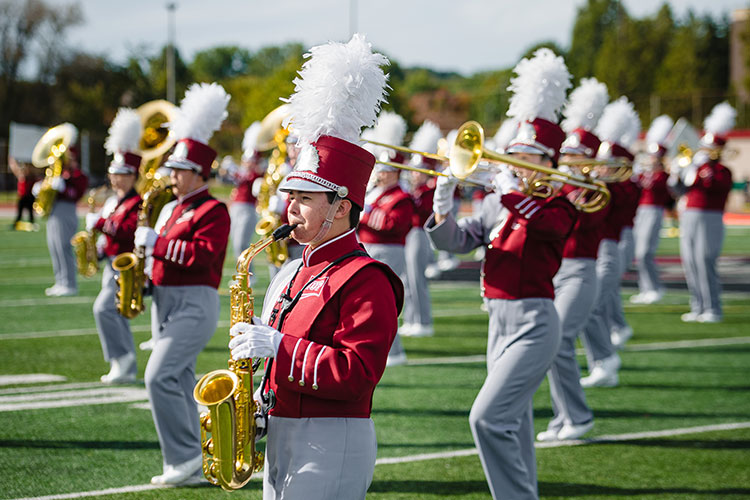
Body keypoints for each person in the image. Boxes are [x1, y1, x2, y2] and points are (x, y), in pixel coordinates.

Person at [228, 34, 402, 500]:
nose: (292, 211)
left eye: (305, 199)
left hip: (332, 440)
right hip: (284, 431)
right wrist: (261, 401)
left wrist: (278, 347)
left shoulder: (368, 280)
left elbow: (357, 374)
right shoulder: (291, 270)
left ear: (341, 206)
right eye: (292, 198)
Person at [427, 48, 575, 500]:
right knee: (516, 422)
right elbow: (455, 241)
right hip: (498, 320)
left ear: (549, 163)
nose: (515, 164)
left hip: (534, 322)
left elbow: (544, 226)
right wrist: (443, 198)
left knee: (487, 419)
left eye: (528, 157)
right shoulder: (498, 203)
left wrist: (510, 191)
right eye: (513, 156)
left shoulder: (560, 205)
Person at [134, 82, 231, 486]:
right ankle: (204, 453)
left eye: (179, 171)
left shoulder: (214, 210)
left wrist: (158, 244)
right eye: (172, 170)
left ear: (198, 173)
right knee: (179, 378)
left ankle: (186, 458)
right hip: (165, 301)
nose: (172, 177)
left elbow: (202, 257)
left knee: (158, 377)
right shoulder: (171, 208)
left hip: (194, 303)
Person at [536, 77, 609, 442]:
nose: (568, 160)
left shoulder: (597, 189)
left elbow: (576, 221)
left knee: (559, 340)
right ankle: (564, 415)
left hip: (580, 271)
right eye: (567, 155)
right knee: (554, 343)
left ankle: (577, 416)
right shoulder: (561, 185)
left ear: (590, 159)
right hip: (555, 271)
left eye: (576, 155)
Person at [579, 97, 640, 388]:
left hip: (609, 248)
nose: (600, 168)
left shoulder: (623, 187)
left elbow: (615, 207)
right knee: (594, 306)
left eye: (606, 163)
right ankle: (603, 360)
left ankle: (605, 359)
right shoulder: (600, 184)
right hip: (596, 249)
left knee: (589, 306)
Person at [88, 108, 144, 384]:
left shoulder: (137, 203)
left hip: (124, 267)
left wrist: (101, 224)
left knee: (104, 309)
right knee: (112, 312)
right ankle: (123, 362)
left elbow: (128, 231)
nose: (115, 178)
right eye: (114, 172)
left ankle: (123, 360)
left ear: (133, 175)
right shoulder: (115, 201)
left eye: (122, 173)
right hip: (109, 263)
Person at [669, 102, 735, 323]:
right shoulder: (696, 168)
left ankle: (713, 308)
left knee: (705, 260)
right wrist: (678, 174)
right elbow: (679, 191)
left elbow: (716, 186)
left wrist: (701, 168)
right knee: (689, 261)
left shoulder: (722, 171)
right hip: (689, 214)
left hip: (710, 218)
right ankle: (697, 305)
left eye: (709, 149)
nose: (704, 153)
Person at [359, 111, 414, 366]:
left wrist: (366, 215)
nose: (381, 175)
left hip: (389, 250)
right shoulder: (377, 193)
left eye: (387, 171)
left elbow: (393, 224)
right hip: (370, 247)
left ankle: (395, 352)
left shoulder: (401, 197)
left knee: (386, 303)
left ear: (396, 173)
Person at [34, 129, 89, 297]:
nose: (68, 160)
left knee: (64, 247)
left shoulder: (78, 175)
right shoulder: (58, 173)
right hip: (54, 212)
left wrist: (64, 188)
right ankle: (60, 281)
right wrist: (42, 188)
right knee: (54, 246)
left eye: (70, 157)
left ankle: (69, 284)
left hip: (66, 211)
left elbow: (77, 193)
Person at [401, 120, 442, 338]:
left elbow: (423, 212)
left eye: (418, 171)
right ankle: (411, 318)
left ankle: (423, 320)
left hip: (420, 233)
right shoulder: (415, 189)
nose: (414, 174)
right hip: (409, 234)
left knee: (417, 279)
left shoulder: (428, 190)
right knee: (408, 279)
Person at [629, 115, 674, 306]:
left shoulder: (663, 176)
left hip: (654, 212)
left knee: (645, 252)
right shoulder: (645, 172)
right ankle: (645, 288)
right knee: (639, 253)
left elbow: (658, 189)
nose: (652, 159)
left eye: (655, 157)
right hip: (640, 211)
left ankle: (654, 288)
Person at [225, 121, 266, 262]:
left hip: (247, 210)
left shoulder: (255, 174)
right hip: (236, 209)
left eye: (249, 161)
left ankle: (248, 275)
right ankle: (240, 274)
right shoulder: (244, 173)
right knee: (235, 243)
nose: (246, 163)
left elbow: (245, 178)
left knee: (241, 244)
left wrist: (233, 169)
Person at [8, 156, 38, 231]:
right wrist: (12, 161)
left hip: (29, 197)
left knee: (30, 212)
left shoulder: (31, 177)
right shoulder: (21, 176)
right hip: (22, 197)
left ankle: (32, 224)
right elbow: (15, 169)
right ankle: (16, 224)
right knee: (19, 213)